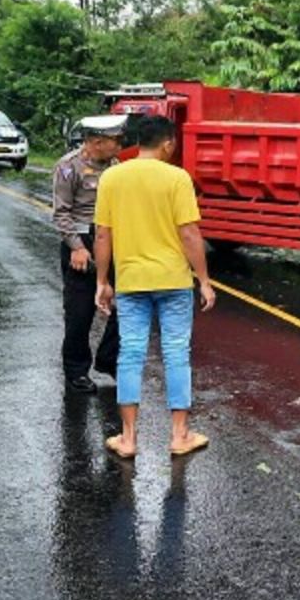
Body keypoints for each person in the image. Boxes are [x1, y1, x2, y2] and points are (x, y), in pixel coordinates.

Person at [93, 115, 217, 458]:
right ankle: (180, 436)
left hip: (131, 281)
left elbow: (104, 234)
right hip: (173, 281)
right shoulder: (177, 178)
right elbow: (189, 233)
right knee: (177, 353)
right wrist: (204, 281)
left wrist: (102, 281)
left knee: (130, 354)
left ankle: (128, 439)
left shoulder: (112, 178)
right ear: (168, 143)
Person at [53, 115, 125, 394]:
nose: (120, 145)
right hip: (82, 240)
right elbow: (61, 214)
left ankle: (108, 359)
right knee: (80, 311)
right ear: (97, 142)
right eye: (115, 140)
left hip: (111, 238)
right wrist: (77, 247)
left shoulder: (116, 166)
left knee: (128, 301)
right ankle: (75, 371)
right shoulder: (68, 167)